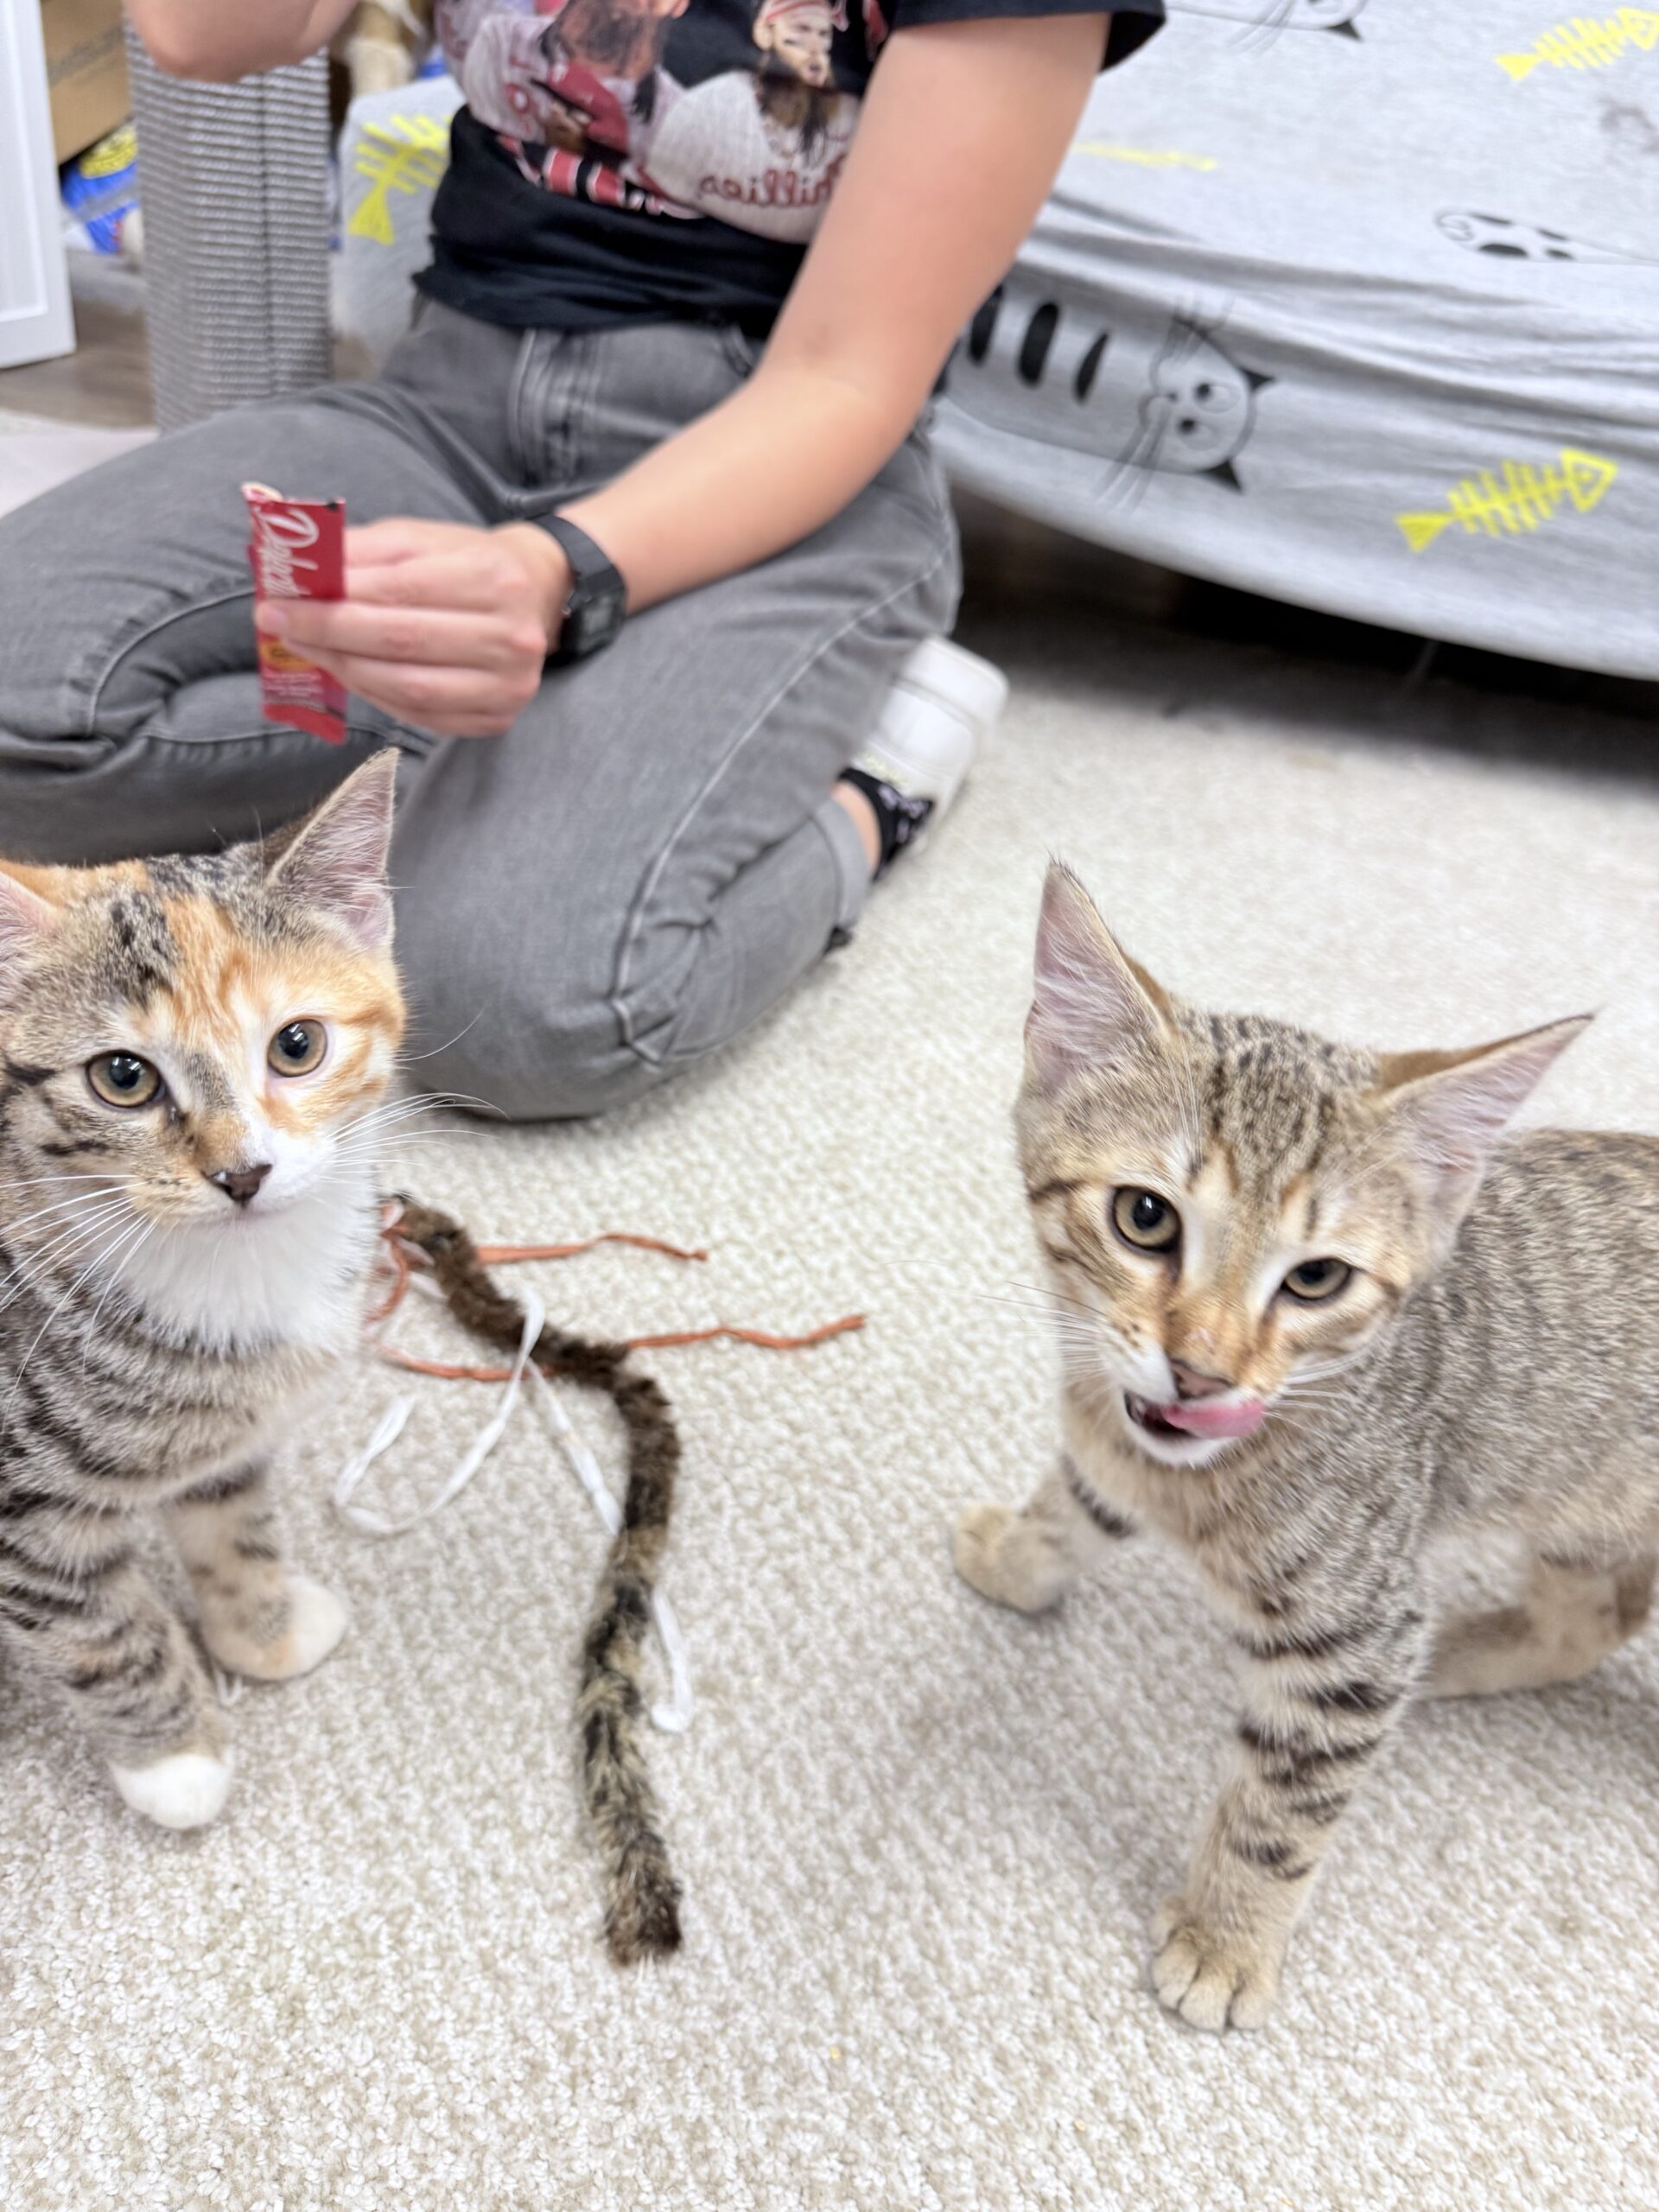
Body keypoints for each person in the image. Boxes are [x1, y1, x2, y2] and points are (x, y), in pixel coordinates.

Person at [0, 0, 1161, 1119]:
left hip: (778, 466)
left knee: (517, 1006)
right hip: (448, 401)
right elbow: (200, 35)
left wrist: (557, 576)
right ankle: (533, 741)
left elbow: (847, 377)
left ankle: (880, 788)